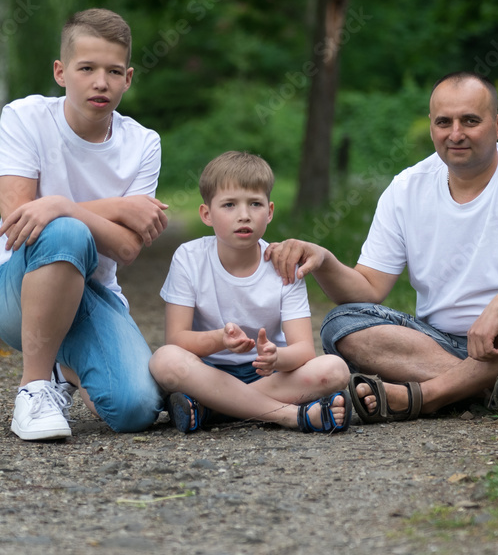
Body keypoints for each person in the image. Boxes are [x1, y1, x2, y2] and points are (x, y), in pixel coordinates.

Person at [266, 72, 498, 422]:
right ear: (432, 126)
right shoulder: (407, 188)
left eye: (470, 121)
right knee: (341, 323)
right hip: (436, 346)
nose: (456, 134)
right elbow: (368, 290)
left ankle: (430, 395)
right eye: (443, 122)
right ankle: (488, 389)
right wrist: (325, 260)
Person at [0, 8, 169, 441]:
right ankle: (34, 389)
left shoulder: (143, 143)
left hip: (95, 292)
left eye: (114, 71)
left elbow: (126, 248)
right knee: (65, 232)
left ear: (129, 78)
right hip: (16, 290)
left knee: (137, 409)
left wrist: (61, 204)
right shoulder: (25, 117)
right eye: (86, 68)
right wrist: (104, 211)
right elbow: (19, 221)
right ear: (61, 72)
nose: (100, 82)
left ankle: (67, 373)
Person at [148, 151, 353, 433]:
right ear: (206, 214)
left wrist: (276, 357)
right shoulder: (190, 257)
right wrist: (220, 339)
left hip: (267, 375)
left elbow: (304, 350)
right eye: (229, 205)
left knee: (335, 369)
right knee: (165, 360)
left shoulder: (284, 264)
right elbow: (177, 339)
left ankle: (211, 409)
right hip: (207, 373)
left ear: (269, 211)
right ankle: (292, 415)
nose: (244, 215)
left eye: (254, 204)